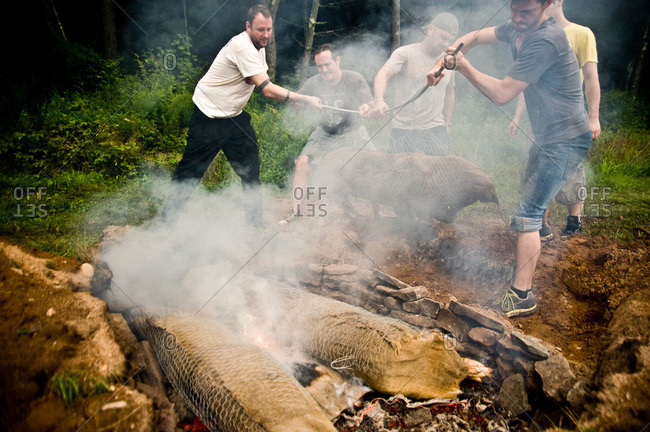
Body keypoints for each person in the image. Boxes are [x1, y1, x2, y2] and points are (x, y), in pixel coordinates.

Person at [427, 0, 591, 317]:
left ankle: (521, 295)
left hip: (565, 139)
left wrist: (463, 67)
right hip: (546, 136)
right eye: (514, 9)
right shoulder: (517, 25)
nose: (517, 18)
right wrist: (438, 65)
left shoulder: (545, 40)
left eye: (526, 12)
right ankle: (539, 236)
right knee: (531, 198)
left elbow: (503, 93)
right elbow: (472, 36)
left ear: (545, 6)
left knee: (527, 212)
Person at [161, 5, 321, 226]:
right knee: (189, 173)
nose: (265, 35)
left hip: (234, 117)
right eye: (260, 29)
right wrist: (303, 99)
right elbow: (266, 89)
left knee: (251, 170)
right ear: (248, 26)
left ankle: (255, 222)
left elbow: (257, 81)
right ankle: (166, 223)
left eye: (269, 29)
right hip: (209, 116)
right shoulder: (242, 46)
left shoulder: (258, 47)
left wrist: (293, 99)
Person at [507, 0, 600, 240]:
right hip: (541, 122)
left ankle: (574, 221)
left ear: (555, 2)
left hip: (568, 120)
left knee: (571, 172)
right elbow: (525, 83)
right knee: (538, 172)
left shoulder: (581, 33)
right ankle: (542, 226)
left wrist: (593, 117)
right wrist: (518, 116)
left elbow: (590, 78)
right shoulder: (529, 33)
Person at [280, 43, 374, 224]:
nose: (323, 70)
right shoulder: (313, 83)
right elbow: (295, 105)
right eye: (320, 66)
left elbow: (368, 102)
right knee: (302, 164)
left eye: (327, 64)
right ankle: (296, 213)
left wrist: (366, 107)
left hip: (354, 131)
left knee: (377, 165)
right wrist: (298, 103)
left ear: (337, 61)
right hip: (326, 133)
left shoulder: (354, 79)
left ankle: (381, 214)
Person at [369, 13, 459, 156]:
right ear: (430, 29)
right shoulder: (405, 53)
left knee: (441, 174)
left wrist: (447, 123)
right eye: (443, 37)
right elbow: (383, 74)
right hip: (403, 128)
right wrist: (379, 100)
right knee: (396, 174)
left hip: (435, 127)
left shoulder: (448, 61)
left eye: (450, 40)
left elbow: (450, 92)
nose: (445, 44)